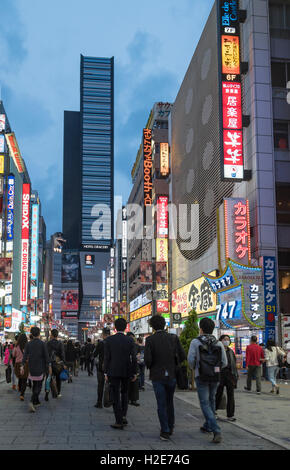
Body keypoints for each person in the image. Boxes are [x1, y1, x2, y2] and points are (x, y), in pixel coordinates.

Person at [145, 315, 186, 441]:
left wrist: (151, 365)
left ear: (152, 326)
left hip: (157, 375)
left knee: (161, 403)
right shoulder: (173, 338)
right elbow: (182, 355)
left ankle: (165, 430)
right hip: (172, 374)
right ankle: (171, 426)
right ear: (164, 325)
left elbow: (148, 359)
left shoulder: (150, 340)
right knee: (170, 402)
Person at [187, 318, 227, 444]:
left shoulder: (195, 342)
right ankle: (208, 425)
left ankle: (216, 430)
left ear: (201, 329)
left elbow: (190, 360)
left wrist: (195, 368)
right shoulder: (219, 343)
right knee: (211, 400)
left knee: (204, 403)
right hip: (215, 376)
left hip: (201, 376)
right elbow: (224, 362)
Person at [104, 318, 137, 430]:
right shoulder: (130, 340)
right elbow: (134, 358)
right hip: (127, 370)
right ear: (125, 327)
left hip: (113, 371)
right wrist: (134, 372)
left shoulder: (109, 340)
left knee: (115, 394)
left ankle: (118, 420)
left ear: (115, 327)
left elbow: (107, 358)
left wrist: (105, 372)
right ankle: (123, 415)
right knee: (125, 393)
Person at [20, 327, 52, 412]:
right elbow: (46, 356)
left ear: (31, 334)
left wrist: (22, 365)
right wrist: (49, 365)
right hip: (40, 367)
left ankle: (36, 401)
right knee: (39, 385)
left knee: (35, 384)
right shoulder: (42, 344)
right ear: (38, 334)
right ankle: (31, 401)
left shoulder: (28, 344)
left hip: (31, 367)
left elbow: (25, 356)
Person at [215, 335, 238, 422]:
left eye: (228, 339)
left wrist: (235, 376)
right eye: (225, 339)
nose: (226, 341)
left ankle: (230, 415)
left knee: (231, 395)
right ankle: (214, 411)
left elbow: (234, 364)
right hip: (220, 374)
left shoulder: (231, 351)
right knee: (218, 393)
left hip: (230, 375)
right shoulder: (217, 350)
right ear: (220, 341)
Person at [94, 328, 111, 408]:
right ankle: (109, 401)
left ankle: (99, 402)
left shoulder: (101, 343)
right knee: (110, 385)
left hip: (101, 367)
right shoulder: (113, 342)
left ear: (103, 334)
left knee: (100, 385)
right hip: (111, 368)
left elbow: (95, 354)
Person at [47, 329, 66, 398]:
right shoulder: (60, 343)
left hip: (50, 364)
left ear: (51, 335)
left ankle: (48, 392)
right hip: (58, 364)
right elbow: (62, 354)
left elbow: (47, 354)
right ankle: (58, 393)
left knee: (49, 378)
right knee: (58, 379)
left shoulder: (48, 343)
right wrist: (63, 363)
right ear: (57, 335)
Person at [13, 334, 29, 401]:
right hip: (25, 364)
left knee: (20, 377)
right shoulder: (27, 346)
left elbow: (14, 355)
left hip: (18, 364)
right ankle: (22, 394)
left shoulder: (16, 346)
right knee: (24, 379)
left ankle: (20, 389)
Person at [127, 332, 140, 407]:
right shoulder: (124, 345)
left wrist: (138, 356)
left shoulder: (136, 346)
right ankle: (127, 398)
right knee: (127, 384)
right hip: (127, 366)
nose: (132, 339)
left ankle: (134, 400)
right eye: (131, 337)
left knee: (135, 384)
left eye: (133, 338)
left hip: (134, 366)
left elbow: (138, 354)